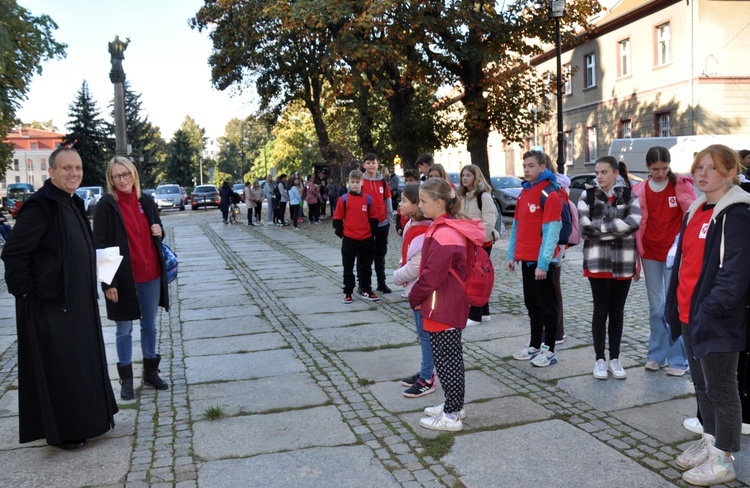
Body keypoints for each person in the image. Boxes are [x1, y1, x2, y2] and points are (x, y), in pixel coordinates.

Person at [1, 147, 118, 449]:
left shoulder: (73, 202)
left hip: (78, 302)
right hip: (51, 304)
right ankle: (64, 432)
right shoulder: (41, 206)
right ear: (51, 172)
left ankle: (92, 420)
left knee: (82, 364)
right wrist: (27, 292)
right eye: (66, 168)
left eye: (77, 168)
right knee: (62, 370)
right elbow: (14, 252)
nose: (73, 173)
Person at [665, 144, 750, 486]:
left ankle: (723, 460)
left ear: (731, 172)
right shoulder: (697, 210)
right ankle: (711, 441)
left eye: (711, 168)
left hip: (716, 318)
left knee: (723, 389)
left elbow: (737, 273)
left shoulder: (738, 214)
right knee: (702, 386)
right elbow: (684, 265)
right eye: (698, 167)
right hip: (690, 314)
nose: (702, 174)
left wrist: (710, 309)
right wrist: (676, 307)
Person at [410, 178, 485, 432]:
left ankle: (452, 414)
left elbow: (432, 275)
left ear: (439, 202)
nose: (420, 206)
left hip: (443, 303)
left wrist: (414, 297)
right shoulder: (443, 227)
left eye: (423, 201)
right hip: (442, 302)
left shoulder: (444, 232)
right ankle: (454, 405)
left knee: (447, 359)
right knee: (447, 357)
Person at [94, 156, 171, 400]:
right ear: (111, 179)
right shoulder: (106, 205)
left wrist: (160, 231)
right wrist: (108, 283)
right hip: (123, 279)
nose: (122, 180)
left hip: (151, 275)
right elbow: (100, 246)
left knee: (149, 326)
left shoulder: (146, 201)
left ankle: (150, 372)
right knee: (124, 330)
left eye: (125, 174)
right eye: (116, 176)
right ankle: (126, 380)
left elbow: (157, 230)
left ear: (133, 173)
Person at [633, 146, 696, 376]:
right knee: (656, 307)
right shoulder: (639, 189)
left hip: (674, 254)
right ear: (648, 168)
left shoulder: (679, 185)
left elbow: (692, 214)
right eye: (655, 169)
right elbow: (635, 224)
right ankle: (656, 355)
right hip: (649, 252)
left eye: (664, 168)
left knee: (674, 307)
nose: (660, 173)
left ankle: (679, 360)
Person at [578, 156, 641, 380]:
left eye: (604, 172)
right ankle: (599, 359)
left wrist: (601, 227)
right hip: (598, 262)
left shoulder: (629, 195)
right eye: (598, 172)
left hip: (623, 262)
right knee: (600, 311)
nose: (600, 176)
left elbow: (634, 223)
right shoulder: (588, 195)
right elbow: (584, 229)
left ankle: (615, 357)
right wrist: (616, 228)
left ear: (616, 173)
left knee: (617, 312)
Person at [507, 151, 563, 368]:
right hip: (526, 260)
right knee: (532, 305)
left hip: (542, 263)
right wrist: (512, 254)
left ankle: (550, 348)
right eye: (524, 166)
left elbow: (552, 231)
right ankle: (534, 344)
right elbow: (517, 227)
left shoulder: (549, 193)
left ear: (542, 167)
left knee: (547, 306)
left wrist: (543, 263)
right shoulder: (524, 193)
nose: (526, 170)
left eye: (531, 166)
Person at [393, 184, 435, 397]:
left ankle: (427, 378)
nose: (400, 204)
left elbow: (416, 266)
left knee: (425, 334)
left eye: (404, 200)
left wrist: (397, 276)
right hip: (414, 288)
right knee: (422, 333)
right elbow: (406, 254)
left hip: (422, 291)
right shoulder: (412, 224)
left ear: (417, 205)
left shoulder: (421, 229)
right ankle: (425, 371)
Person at [458, 164, 500, 326]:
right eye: (463, 175)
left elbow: (489, 221)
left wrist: (476, 237)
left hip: (482, 241)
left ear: (476, 177)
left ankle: (475, 314)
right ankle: (484, 311)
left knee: (477, 276)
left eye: (468, 175)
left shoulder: (483, 196)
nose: (465, 178)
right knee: (477, 274)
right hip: (468, 241)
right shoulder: (462, 196)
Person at [333, 170, 379, 303]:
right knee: (348, 267)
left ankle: (366, 289)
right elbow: (337, 220)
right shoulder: (343, 200)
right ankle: (348, 292)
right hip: (349, 239)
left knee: (366, 267)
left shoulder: (368, 200)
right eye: (352, 182)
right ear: (349, 183)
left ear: (362, 183)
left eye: (357, 182)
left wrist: (371, 234)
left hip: (366, 239)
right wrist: (342, 234)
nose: (355, 185)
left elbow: (374, 219)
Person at [361, 153, 393, 293]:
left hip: (382, 223)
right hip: (365, 225)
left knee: (380, 255)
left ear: (377, 164)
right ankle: (363, 285)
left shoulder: (383, 182)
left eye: (373, 162)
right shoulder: (360, 181)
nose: (371, 165)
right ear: (364, 165)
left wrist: (389, 219)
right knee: (364, 256)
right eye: (368, 163)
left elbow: (388, 200)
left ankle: (382, 282)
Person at [396, 169, 419, 236]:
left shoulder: (421, 195)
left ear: (418, 181)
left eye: (411, 180)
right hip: (405, 229)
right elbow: (399, 212)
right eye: (406, 180)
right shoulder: (403, 192)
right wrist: (398, 227)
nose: (408, 183)